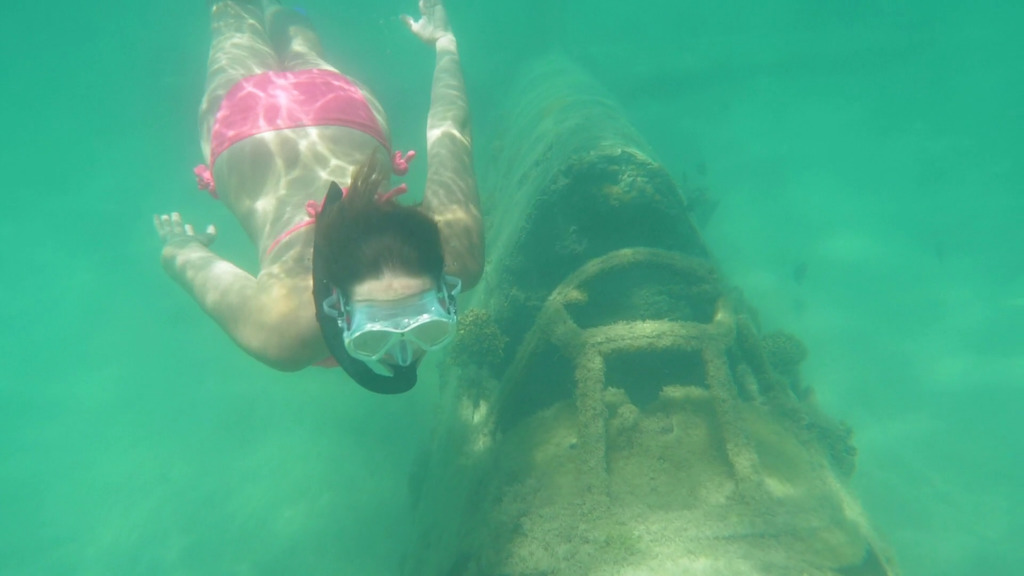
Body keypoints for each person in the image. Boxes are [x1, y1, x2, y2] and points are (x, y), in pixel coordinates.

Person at [154, 0, 483, 394]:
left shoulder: (459, 250)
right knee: (234, 23)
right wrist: (181, 247)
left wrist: (446, 44)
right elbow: (180, 260)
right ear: (335, 307)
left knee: (299, 46)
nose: (402, 354)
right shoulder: (281, 329)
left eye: (426, 324)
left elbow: (451, 128)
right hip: (244, 127)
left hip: (341, 108)